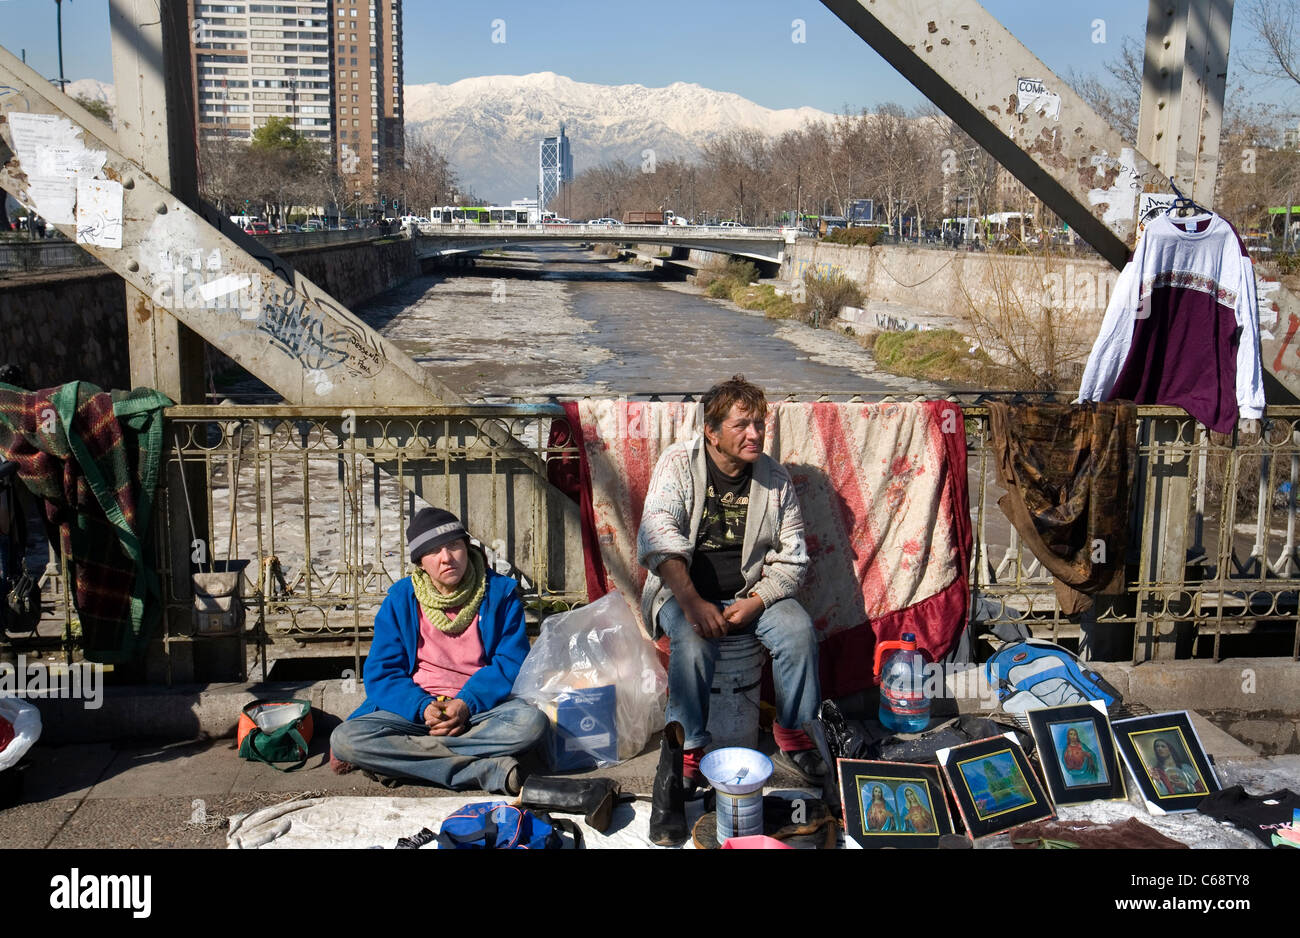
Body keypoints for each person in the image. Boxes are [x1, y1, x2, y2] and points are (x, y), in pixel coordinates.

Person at [637, 375, 825, 788]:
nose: (754, 434)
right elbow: (657, 533)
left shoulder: (775, 481)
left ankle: (796, 732)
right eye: (741, 425)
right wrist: (691, 601)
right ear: (712, 431)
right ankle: (686, 750)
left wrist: (758, 601)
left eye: (759, 423)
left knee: (797, 630)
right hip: (681, 592)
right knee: (693, 637)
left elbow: (793, 558)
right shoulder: (678, 464)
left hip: (749, 594)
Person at [329, 508, 547, 794]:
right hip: (416, 712)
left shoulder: (499, 593)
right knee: (346, 739)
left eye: (454, 545)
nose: (447, 557)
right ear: (420, 562)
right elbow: (382, 671)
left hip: (478, 710)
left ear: (466, 548)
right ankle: (484, 770)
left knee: (531, 724)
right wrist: (421, 708)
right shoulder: (401, 599)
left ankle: (406, 760)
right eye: (434, 551)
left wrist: (466, 703)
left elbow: (509, 660)